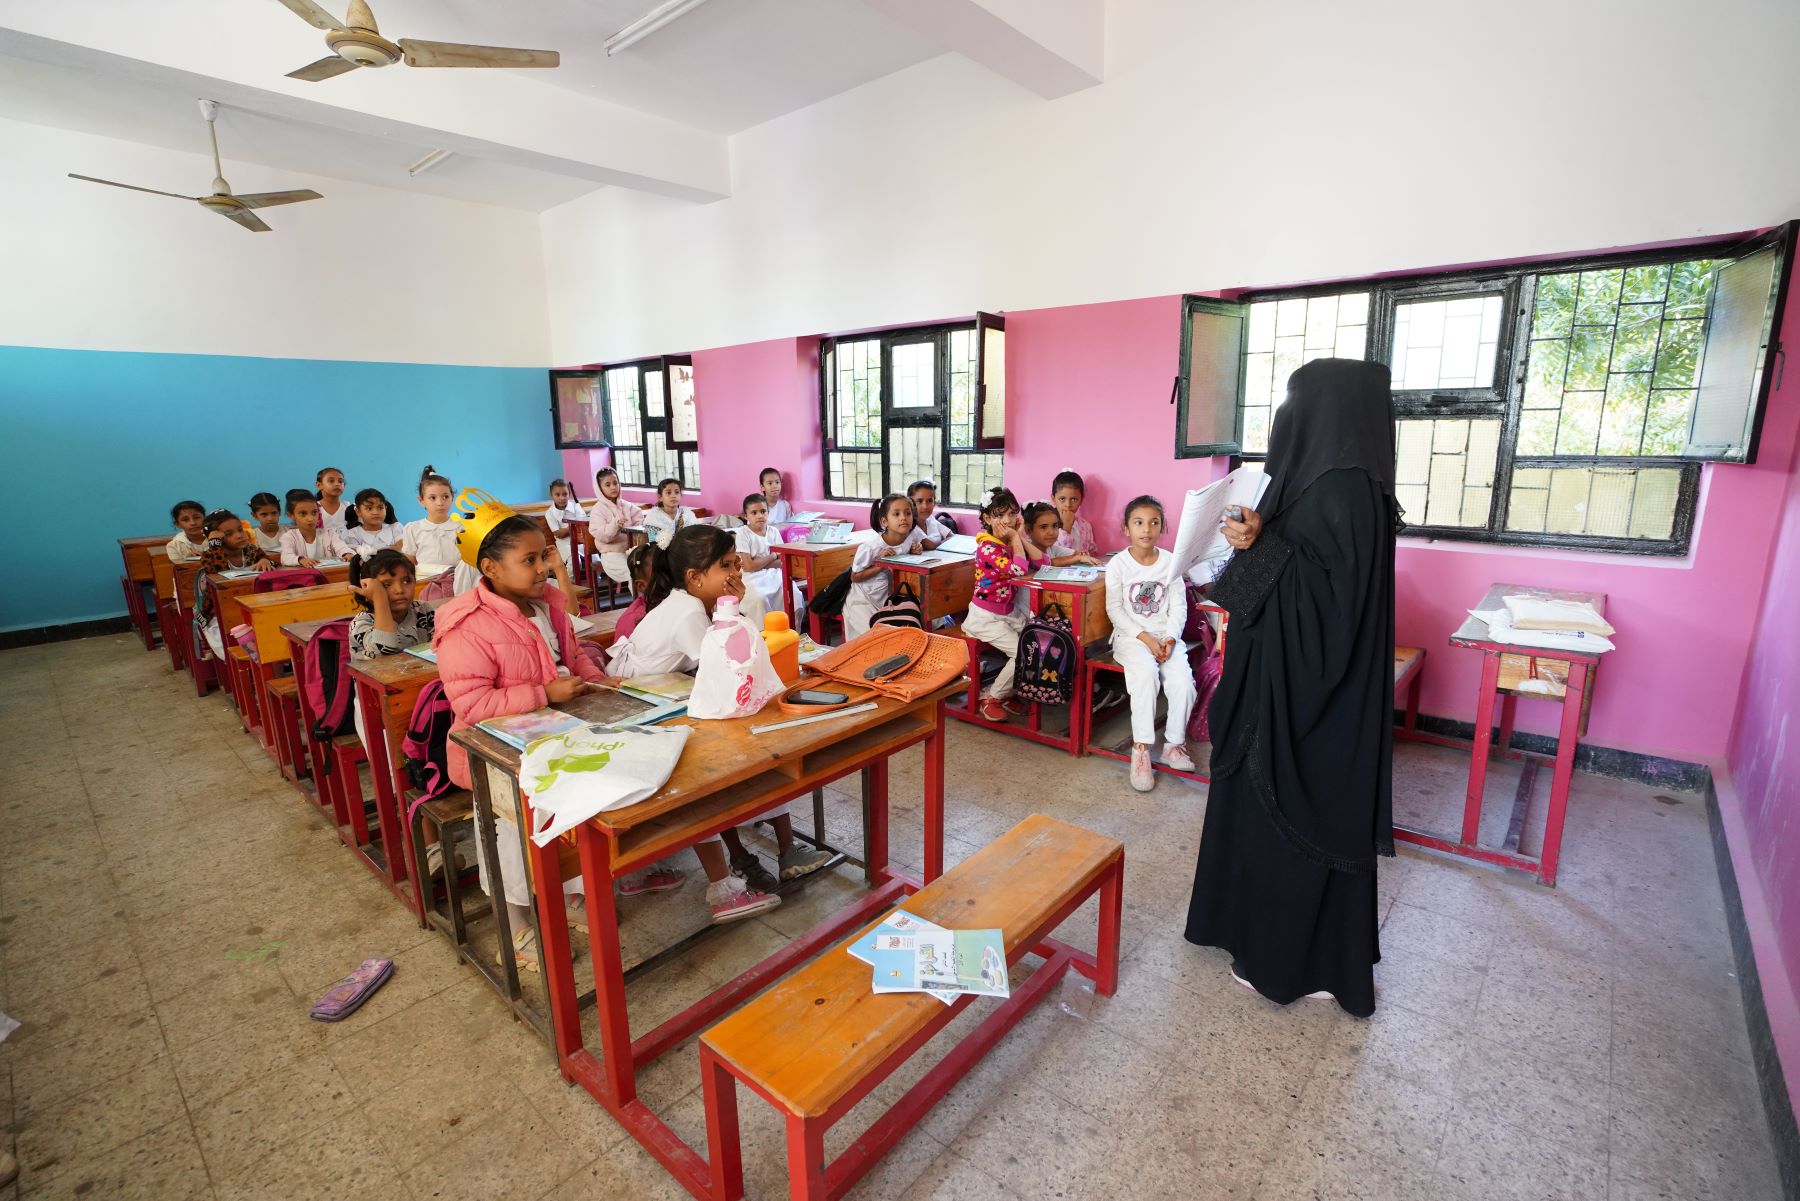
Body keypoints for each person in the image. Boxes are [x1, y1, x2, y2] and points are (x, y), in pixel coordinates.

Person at [1184, 358, 1401, 1019]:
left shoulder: (1345, 492)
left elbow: (1330, 613)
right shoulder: (1317, 483)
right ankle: (1242, 930)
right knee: (1250, 815)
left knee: (1295, 818)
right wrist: (1256, 537)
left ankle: (1294, 962)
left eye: (1297, 404)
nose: (1286, 419)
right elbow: (1289, 569)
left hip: (1309, 705)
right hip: (1273, 689)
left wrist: (1264, 546)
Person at [606, 526, 832, 909]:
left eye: (736, 562)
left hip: (668, 694)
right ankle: (739, 861)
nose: (737, 571)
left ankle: (773, 850)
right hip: (640, 708)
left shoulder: (694, 602)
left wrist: (734, 608)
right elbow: (726, 664)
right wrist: (736, 610)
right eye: (726, 565)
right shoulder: (688, 611)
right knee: (720, 765)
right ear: (695, 578)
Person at [433, 515, 614, 970]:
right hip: (495, 755)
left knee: (569, 820)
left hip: (555, 737)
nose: (542, 568)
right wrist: (543, 695)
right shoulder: (466, 623)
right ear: (491, 568)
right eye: (528, 560)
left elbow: (573, 659)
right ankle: (514, 927)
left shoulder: (548, 604)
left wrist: (600, 684)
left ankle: (567, 895)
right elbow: (471, 704)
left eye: (544, 557)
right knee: (510, 837)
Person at [1104, 495, 1196, 790]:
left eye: (1154, 522)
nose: (1147, 529)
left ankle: (1174, 745)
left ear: (1162, 527)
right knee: (1145, 677)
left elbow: (1179, 607)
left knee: (1183, 683)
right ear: (1126, 528)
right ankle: (1141, 749)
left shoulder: (1171, 563)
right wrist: (1145, 638)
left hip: (1166, 636)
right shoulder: (1118, 564)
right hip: (1131, 637)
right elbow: (1115, 609)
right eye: (1139, 522)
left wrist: (1169, 639)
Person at [965, 488, 1031, 722]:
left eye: (1012, 514)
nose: (1007, 520)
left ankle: (1007, 692)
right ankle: (991, 697)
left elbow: (1040, 561)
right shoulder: (988, 548)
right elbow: (1019, 569)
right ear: (987, 518)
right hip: (985, 617)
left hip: (1007, 612)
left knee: (1036, 643)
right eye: (999, 515)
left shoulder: (1006, 542)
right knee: (1022, 653)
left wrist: (1018, 536)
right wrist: (1015, 537)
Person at [842, 493, 923, 640]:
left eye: (908, 513)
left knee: (895, 637)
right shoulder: (871, 547)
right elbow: (854, 577)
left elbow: (904, 555)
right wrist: (880, 564)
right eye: (896, 514)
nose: (903, 517)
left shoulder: (910, 538)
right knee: (872, 640)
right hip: (862, 600)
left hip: (888, 599)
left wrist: (914, 550)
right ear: (884, 521)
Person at [194, 509, 272, 659]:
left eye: (240, 530)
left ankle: (265, 661)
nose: (239, 535)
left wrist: (265, 560)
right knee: (233, 648)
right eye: (229, 534)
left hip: (252, 607)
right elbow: (218, 572)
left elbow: (269, 562)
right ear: (216, 540)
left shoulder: (252, 550)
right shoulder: (210, 556)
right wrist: (215, 546)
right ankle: (248, 665)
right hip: (219, 612)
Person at [733, 494, 794, 619]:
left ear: (768, 512)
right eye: (754, 513)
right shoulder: (743, 534)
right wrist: (772, 556)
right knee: (760, 599)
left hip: (774, 574)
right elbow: (748, 567)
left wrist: (757, 563)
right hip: (752, 577)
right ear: (746, 516)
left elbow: (783, 562)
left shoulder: (773, 532)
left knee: (793, 595)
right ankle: (763, 634)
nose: (760, 516)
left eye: (763, 511)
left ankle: (790, 631)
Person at [587, 467, 643, 589]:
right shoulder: (597, 510)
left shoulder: (626, 505)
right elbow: (603, 536)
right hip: (612, 555)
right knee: (634, 574)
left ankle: (652, 603)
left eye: (615, 483)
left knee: (649, 569)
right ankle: (640, 605)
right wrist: (615, 525)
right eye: (607, 485)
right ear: (599, 488)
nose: (613, 487)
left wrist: (638, 525)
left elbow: (639, 519)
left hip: (632, 552)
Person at [403, 465, 462, 570]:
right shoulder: (413, 528)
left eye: (445, 497)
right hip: (424, 580)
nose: (440, 503)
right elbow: (409, 561)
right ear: (421, 501)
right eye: (432, 498)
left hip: (456, 579)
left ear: (452, 498)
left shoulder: (461, 528)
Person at [278, 489, 350, 566]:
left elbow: (342, 547)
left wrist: (347, 553)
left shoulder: (329, 534)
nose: (310, 518)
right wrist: (300, 560)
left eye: (314, 512)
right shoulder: (289, 537)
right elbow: (286, 557)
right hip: (305, 576)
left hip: (329, 573)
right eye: (303, 513)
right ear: (291, 515)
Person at [1025, 500, 1101, 568]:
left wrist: (1082, 555)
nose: (1051, 532)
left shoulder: (1051, 548)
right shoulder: (1027, 551)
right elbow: (1047, 563)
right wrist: (1077, 557)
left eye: (1054, 526)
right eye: (1043, 527)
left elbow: (1074, 554)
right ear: (1028, 530)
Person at [341, 487, 405, 557]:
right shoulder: (352, 534)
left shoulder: (395, 528)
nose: (375, 512)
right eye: (369, 508)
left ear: (385, 509)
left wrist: (373, 552)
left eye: (380, 508)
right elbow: (355, 555)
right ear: (358, 511)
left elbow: (400, 546)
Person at [1051, 469, 1099, 558]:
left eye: (1074, 499)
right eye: (1062, 499)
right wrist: (1066, 527)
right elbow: (1055, 556)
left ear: (1081, 499)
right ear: (1053, 499)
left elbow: (1092, 551)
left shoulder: (1085, 525)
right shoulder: (1048, 526)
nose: (1068, 505)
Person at [544, 478, 587, 564]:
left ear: (569, 494)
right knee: (574, 561)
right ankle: (570, 578)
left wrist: (569, 528)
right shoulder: (549, 513)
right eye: (557, 495)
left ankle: (596, 578)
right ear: (551, 495)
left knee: (595, 559)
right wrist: (575, 525)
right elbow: (559, 534)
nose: (562, 498)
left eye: (565, 494)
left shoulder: (575, 506)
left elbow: (584, 522)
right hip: (564, 544)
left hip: (581, 540)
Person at [641, 478, 696, 544]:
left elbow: (693, 538)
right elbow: (653, 542)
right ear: (660, 497)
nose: (673, 496)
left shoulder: (687, 515)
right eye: (668, 493)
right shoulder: (653, 517)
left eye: (677, 492)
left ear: (681, 495)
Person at [907, 480, 954, 547]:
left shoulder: (930, 519)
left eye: (930, 501)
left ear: (934, 503)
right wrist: (944, 541)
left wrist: (943, 542)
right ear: (909, 503)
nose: (925, 506)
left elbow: (951, 536)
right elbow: (931, 546)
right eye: (919, 501)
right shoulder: (908, 525)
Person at [315, 466, 350, 532]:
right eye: (331, 481)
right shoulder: (313, 508)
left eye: (340, 481)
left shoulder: (348, 507)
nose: (337, 484)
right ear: (319, 485)